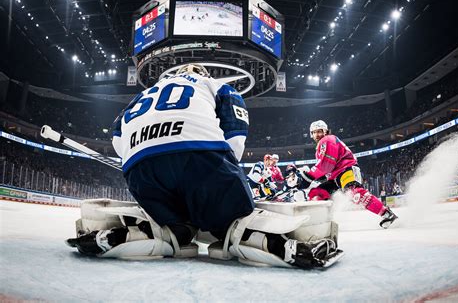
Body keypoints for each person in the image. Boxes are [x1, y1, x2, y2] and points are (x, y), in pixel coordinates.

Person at [66, 64, 341, 269]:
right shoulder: (215, 85)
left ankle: (155, 232)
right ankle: (272, 243)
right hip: (199, 156)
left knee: (177, 230)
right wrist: (224, 178)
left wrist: (144, 157)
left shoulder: (144, 94)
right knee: (233, 223)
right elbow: (235, 136)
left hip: (140, 169)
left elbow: (116, 138)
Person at [299, 120, 398, 229]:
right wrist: (314, 177)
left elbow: (326, 163)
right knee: (318, 193)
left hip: (347, 170)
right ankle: (323, 221)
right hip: (335, 177)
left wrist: (308, 177)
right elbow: (327, 168)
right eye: (314, 132)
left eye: (319, 131)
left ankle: (387, 214)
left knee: (355, 193)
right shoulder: (320, 147)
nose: (317, 134)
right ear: (311, 134)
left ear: (325, 131)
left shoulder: (327, 139)